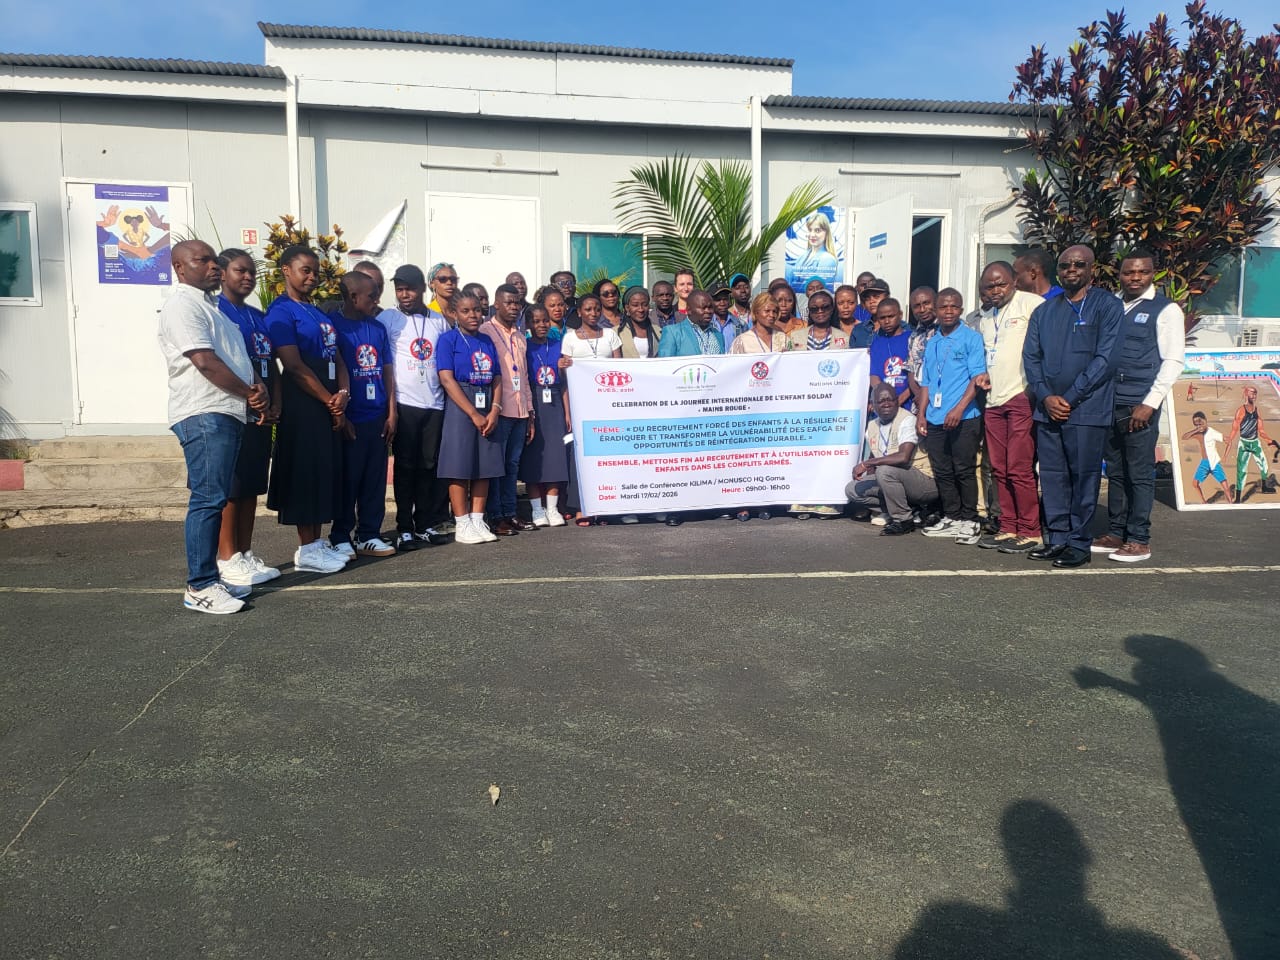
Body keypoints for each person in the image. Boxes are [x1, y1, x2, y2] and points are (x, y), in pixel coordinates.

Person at [159, 240, 267, 613]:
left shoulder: (214, 309)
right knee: (207, 498)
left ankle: (212, 578)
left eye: (213, 261)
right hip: (204, 412)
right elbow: (204, 361)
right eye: (201, 260)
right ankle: (200, 585)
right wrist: (249, 393)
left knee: (216, 496)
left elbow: (237, 358)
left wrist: (256, 387)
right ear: (179, 267)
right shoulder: (182, 306)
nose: (213, 267)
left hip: (227, 411)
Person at [1022, 244, 1124, 568]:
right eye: (1065, 265)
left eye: (1078, 265)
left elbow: (1106, 359)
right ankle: (1057, 539)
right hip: (1048, 409)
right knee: (1053, 477)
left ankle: (1079, 544)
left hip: (1087, 410)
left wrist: (1070, 397)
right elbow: (1031, 358)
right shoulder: (1044, 312)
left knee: (1083, 477)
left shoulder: (1108, 306)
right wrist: (1046, 396)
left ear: (1091, 269)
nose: (1071, 270)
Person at [1092, 249, 1186, 563]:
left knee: (1140, 473)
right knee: (1116, 471)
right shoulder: (1112, 305)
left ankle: (1139, 539)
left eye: (1142, 272)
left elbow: (1173, 361)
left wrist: (1150, 403)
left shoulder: (1166, 310)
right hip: (1109, 400)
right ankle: (1116, 531)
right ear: (1119, 275)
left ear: (1152, 274)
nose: (1135, 278)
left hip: (1139, 404)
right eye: (1128, 272)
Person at [266, 244, 352, 575]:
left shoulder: (317, 311)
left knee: (321, 471)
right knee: (305, 473)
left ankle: (316, 544)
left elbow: (338, 357)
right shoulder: (281, 312)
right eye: (305, 270)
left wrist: (342, 393)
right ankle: (306, 548)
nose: (312, 277)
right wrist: (329, 401)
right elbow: (293, 365)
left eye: (315, 271)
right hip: (304, 403)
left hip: (328, 400)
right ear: (286, 270)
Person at [214, 249, 282, 588]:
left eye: (252, 272)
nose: (248, 277)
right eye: (240, 271)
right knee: (232, 486)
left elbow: (272, 364)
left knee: (251, 486)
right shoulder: (216, 312)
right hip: (236, 408)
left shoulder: (257, 315)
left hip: (262, 411)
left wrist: (275, 403)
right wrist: (250, 398)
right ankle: (227, 557)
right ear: (222, 273)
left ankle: (244, 552)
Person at [974, 262, 1044, 553]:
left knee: (1019, 468)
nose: (995, 291)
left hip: (1020, 397)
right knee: (999, 468)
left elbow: (1045, 347)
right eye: (989, 286)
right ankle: (1009, 526)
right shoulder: (985, 316)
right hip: (993, 400)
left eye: (1001, 284)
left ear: (1014, 281)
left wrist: (1034, 389)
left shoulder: (1031, 305)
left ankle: (1031, 531)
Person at [381, 264, 452, 552]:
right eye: (399, 290)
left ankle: (424, 524)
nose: (404, 295)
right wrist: (390, 410)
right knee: (405, 467)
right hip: (404, 404)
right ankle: (404, 528)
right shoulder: (388, 318)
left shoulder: (439, 321)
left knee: (428, 466)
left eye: (409, 289)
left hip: (434, 404)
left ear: (423, 288)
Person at [331, 272, 397, 558]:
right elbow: (332, 371)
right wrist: (341, 415)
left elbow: (387, 372)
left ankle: (368, 534)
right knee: (349, 480)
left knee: (374, 480)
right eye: (371, 296)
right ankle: (340, 535)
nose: (376, 301)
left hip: (377, 417)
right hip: (351, 418)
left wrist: (392, 412)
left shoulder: (377, 328)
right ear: (353, 296)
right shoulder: (334, 326)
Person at [917, 288, 987, 545]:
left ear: (961, 310)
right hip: (935, 417)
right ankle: (952, 516)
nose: (948, 311)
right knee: (943, 470)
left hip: (964, 416)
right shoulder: (932, 341)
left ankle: (970, 520)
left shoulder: (971, 338)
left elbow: (977, 378)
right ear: (935, 310)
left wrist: (958, 409)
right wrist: (921, 414)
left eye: (954, 307)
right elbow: (926, 382)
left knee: (964, 469)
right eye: (943, 307)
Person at [436, 292, 504, 545]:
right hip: (461, 404)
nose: (473, 315)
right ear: (455, 314)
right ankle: (462, 522)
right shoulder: (448, 340)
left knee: (484, 466)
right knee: (459, 465)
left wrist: (494, 409)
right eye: (465, 311)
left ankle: (477, 519)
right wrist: (473, 413)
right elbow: (446, 379)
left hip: (487, 401)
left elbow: (497, 377)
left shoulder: (486, 340)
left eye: (476, 310)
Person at [557, 294, 622, 527]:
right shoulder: (569, 339)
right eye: (588, 309)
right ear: (579, 312)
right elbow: (565, 379)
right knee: (580, 456)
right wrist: (567, 410)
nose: (593, 313)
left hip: (608, 406)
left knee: (607, 456)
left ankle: (606, 506)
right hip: (580, 406)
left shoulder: (611, 335)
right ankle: (581, 506)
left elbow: (621, 370)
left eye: (596, 309)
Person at [480, 284, 536, 536]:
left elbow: (523, 377)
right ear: (496, 304)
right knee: (496, 465)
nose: (514, 307)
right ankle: (495, 516)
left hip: (520, 410)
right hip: (499, 409)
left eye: (517, 303)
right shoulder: (485, 331)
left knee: (512, 465)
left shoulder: (521, 336)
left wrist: (530, 412)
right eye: (508, 302)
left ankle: (511, 512)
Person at [847, 382, 938, 536]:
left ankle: (903, 520)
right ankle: (907, 508)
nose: (887, 404)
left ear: (897, 401)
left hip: (924, 481)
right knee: (853, 489)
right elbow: (873, 458)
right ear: (873, 405)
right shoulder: (872, 426)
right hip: (896, 479)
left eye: (891, 399)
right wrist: (868, 473)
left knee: (885, 471)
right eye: (881, 401)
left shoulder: (907, 419)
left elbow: (903, 457)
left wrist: (866, 464)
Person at [520, 305, 572, 527]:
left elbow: (565, 383)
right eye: (536, 321)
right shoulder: (525, 347)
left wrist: (567, 411)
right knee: (534, 458)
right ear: (528, 324)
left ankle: (552, 508)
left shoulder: (559, 345)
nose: (541, 325)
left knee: (555, 457)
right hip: (534, 401)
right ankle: (536, 510)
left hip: (555, 404)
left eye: (544, 321)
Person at [1224, 384, 1275, 499]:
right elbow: (1234, 429)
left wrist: (1269, 440)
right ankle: (1238, 498)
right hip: (1244, 444)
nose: (1254, 396)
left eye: (1255, 393)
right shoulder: (1241, 411)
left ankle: (1264, 487)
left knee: (1264, 465)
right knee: (1241, 471)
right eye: (1252, 393)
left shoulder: (1257, 410)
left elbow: (1261, 430)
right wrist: (1229, 441)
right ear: (1246, 393)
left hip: (1255, 442)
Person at [868, 298, 912, 408]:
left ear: (900, 315)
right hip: (885, 406)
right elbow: (874, 376)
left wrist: (900, 400)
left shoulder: (912, 339)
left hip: (909, 405)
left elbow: (918, 377)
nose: (887, 321)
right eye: (882, 318)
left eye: (891, 316)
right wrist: (884, 398)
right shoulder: (876, 343)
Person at [1183, 412, 1234, 504]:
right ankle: (1204, 502)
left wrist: (1225, 456)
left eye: (1201, 424)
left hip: (1214, 461)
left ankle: (1231, 503)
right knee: (1195, 484)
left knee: (1224, 484)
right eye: (1196, 425)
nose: (1199, 426)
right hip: (1204, 462)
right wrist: (1195, 430)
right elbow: (1184, 437)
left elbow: (1229, 441)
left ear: (1205, 421)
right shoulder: (1198, 434)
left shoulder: (1212, 432)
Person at [657, 290, 724, 358]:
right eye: (703, 308)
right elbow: (665, 362)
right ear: (689, 310)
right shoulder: (673, 333)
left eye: (710, 307)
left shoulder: (718, 335)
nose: (708, 311)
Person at [905, 286, 938, 406]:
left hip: (946, 400)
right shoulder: (914, 336)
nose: (922, 309)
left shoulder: (950, 330)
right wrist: (920, 395)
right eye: (917, 306)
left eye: (926, 303)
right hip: (921, 404)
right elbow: (911, 370)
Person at [795, 212, 839, 286]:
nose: (812, 235)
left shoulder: (828, 259)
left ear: (826, 233)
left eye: (817, 230)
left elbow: (817, 288)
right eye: (810, 230)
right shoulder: (801, 256)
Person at [618, 286, 662, 359]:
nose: (641, 309)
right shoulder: (617, 332)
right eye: (635, 305)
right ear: (627, 308)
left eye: (645, 305)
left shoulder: (659, 331)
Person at [710, 282, 748, 349]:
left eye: (725, 299)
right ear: (711, 301)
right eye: (718, 300)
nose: (722, 303)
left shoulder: (741, 325)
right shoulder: (706, 325)